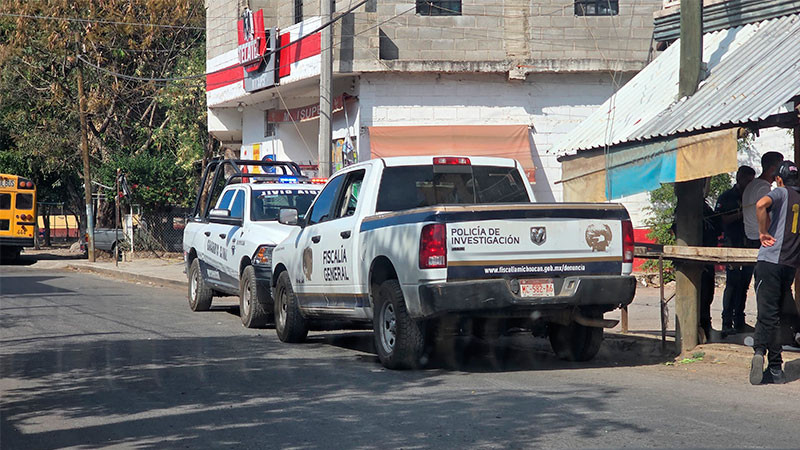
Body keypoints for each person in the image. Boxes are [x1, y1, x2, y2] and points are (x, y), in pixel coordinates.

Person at [750, 160, 800, 385]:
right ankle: (775, 368)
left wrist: (762, 232)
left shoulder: (780, 193)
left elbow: (761, 204)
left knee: (766, 313)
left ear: (779, 179)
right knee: (777, 314)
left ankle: (763, 355)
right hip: (790, 265)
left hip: (769, 261)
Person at [716, 166, 756, 336]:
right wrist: (741, 214)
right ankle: (727, 322)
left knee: (744, 285)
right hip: (732, 244)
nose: (749, 184)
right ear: (739, 177)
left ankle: (739, 321)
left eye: (751, 181)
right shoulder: (727, 197)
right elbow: (721, 219)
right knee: (732, 283)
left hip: (749, 245)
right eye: (747, 180)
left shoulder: (753, 197)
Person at [743, 152, 784, 248]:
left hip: (751, 236)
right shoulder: (763, 188)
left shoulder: (752, 184)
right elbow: (766, 215)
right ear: (773, 169)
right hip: (762, 238)